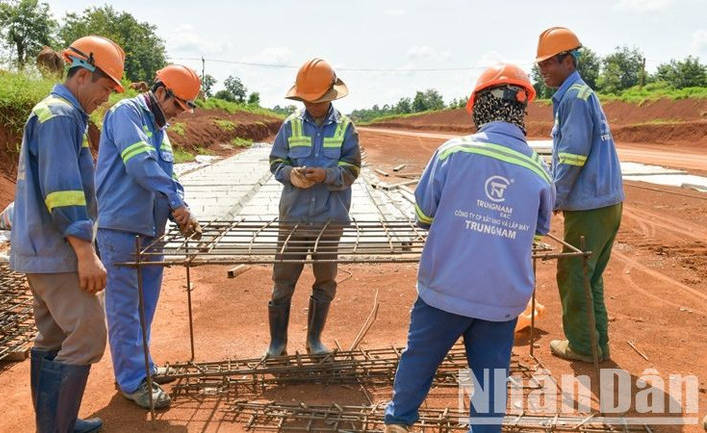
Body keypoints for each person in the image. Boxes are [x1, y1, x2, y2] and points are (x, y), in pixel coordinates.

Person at [383, 64, 555, 433]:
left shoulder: (452, 153)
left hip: (445, 288)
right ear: (521, 110)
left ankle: (399, 421)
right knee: (490, 381)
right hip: (502, 300)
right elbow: (536, 236)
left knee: (420, 358)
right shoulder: (541, 172)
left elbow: (424, 214)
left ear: (478, 106)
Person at [9, 35, 125, 432]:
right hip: (58, 252)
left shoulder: (57, 113)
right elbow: (62, 191)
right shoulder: (60, 116)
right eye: (105, 88)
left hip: (39, 250)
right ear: (83, 75)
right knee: (88, 337)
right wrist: (85, 253)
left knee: (53, 337)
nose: (105, 99)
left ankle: (56, 424)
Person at [95, 64, 202, 409]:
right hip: (123, 229)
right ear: (161, 92)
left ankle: (143, 365)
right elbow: (141, 165)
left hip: (152, 230)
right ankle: (131, 380)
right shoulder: (127, 113)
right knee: (125, 308)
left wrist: (179, 208)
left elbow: (166, 174)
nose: (177, 114)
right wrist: (175, 200)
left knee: (145, 307)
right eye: (176, 106)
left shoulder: (159, 128)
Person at [535, 27, 625, 363]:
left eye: (548, 63)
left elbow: (573, 155)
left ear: (568, 61)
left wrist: (555, 197)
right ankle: (596, 344)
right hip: (607, 203)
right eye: (540, 64)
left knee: (574, 273)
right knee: (590, 275)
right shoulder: (581, 95)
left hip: (590, 205)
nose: (542, 70)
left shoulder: (573, 98)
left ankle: (584, 347)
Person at [266, 58, 361, 357]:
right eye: (308, 100)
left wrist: (327, 175)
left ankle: (314, 341)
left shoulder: (346, 128)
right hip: (293, 219)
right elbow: (276, 162)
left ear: (330, 96)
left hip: (329, 221)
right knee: (283, 282)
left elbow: (353, 169)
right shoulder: (290, 125)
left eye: (318, 100)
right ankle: (277, 343)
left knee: (324, 281)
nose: (313, 106)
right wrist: (290, 175)